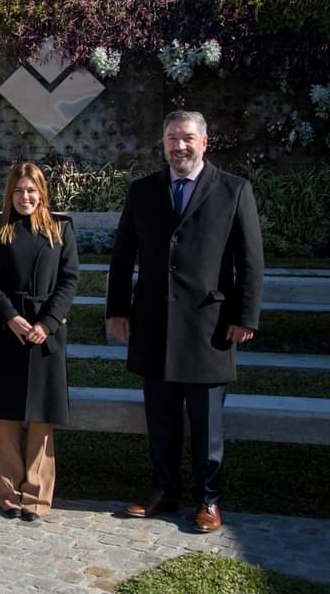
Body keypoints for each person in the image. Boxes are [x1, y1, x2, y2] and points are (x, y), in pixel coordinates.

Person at [107, 110, 263, 533]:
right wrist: (118, 309)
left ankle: (209, 500)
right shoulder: (143, 191)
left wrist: (245, 315)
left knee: (207, 423)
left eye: (188, 138)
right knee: (160, 418)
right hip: (153, 324)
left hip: (209, 328)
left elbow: (250, 260)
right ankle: (164, 489)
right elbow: (123, 255)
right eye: (173, 138)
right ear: (163, 144)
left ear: (204, 142)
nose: (180, 146)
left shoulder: (233, 190)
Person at [0, 162, 79, 522]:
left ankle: (36, 497)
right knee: (7, 417)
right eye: (18, 191)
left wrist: (47, 323)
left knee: (40, 418)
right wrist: (11, 317)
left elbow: (69, 280)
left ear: (42, 192)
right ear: (10, 194)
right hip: (8, 330)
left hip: (45, 334)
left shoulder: (61, 229)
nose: (25, 197)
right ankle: (7, 494)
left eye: (31, 190)